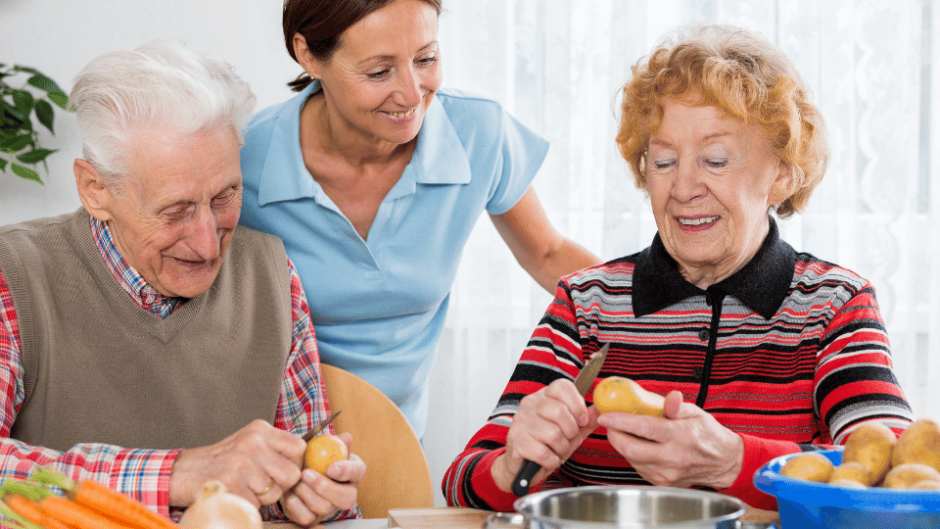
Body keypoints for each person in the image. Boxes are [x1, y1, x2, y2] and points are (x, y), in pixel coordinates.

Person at [442, 25, 914, 511]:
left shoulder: (834, 305)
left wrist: (733, 461)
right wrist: (511, 464)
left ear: (781, 174)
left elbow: (898, 476)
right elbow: (461, 480)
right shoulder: (586, 303)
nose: (684, 188)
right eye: (664, 161)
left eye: (714, 159)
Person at [0, 40, 365, 526]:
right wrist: (178, 473)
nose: (208, 244)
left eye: (224, 197)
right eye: (175, 211)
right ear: (96, 190)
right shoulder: (14, 274)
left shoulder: (272, 276)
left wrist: (306, 495)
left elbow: (295, 481)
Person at [237, 0, 602, 440]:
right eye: (378, 72)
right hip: (271, 442)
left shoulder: (477, 131)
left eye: (426, 59)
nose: (412, 94)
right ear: (309, 55)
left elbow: (547, 253)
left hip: (400, 443)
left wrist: (662, 321)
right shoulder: (244, 159)